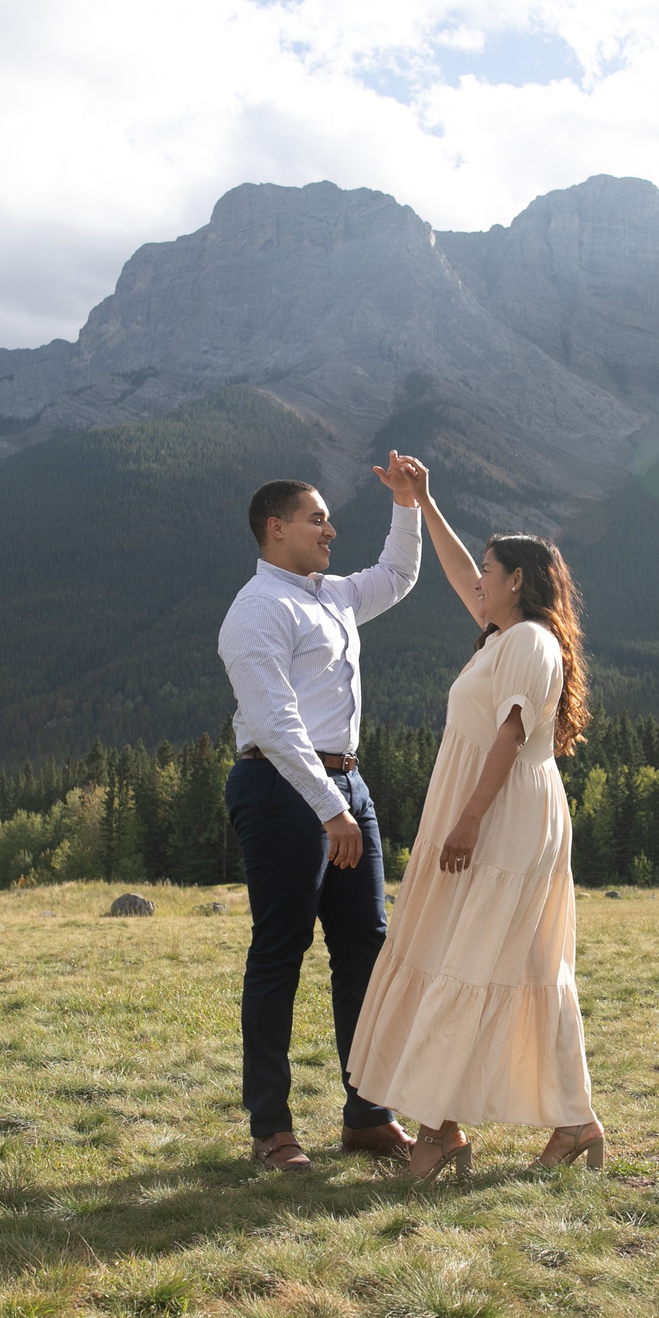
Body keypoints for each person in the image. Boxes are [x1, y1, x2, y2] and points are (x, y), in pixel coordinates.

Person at [347, 488, 604, 1179]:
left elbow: (512, 733)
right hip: (495, 812)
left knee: (472, 959)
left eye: (491, 573)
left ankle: (438, 1129)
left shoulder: (527, 640)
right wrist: (423, 503)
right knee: (513, 965)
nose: (478, 583)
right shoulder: (506, 634)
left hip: (503, 817)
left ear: (517, 582)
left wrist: (467, 819)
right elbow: (460, 574)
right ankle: (570, 1122)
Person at [218, 452, 429, 1173]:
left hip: (346, 788)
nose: (330, 529)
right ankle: (270, 1128)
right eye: (317, 518)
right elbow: (275, 724)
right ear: (276, 529)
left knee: (364, 949)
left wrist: (408, 503)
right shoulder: (256, 611)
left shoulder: (332, 595)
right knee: (280, 951)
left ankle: (369, 1113)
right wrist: (330, 807)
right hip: (282, 789)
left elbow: (397, 576)